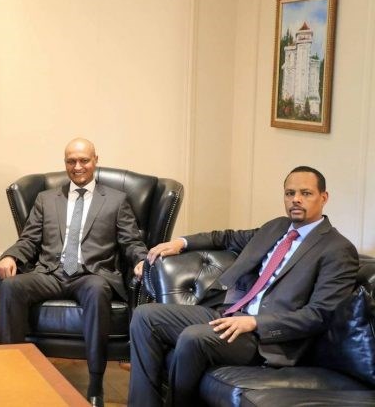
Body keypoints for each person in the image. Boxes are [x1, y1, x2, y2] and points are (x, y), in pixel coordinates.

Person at [128, 166, 359, 407]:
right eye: (290, 193)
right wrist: (181, 242)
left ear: (324, 197)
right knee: (145, 316)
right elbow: (226, 237)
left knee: (194, 337)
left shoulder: (337, 249)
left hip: (265, 337)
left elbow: (320, 315)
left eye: (306, 193)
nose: (296, 199)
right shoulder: (277, 227)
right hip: (229, 312)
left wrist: (254, 322)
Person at [0, 138, 147, 406]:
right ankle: (13, 373)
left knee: (97, 289)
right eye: (71, 161)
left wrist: (142, 261)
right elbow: (29, 240)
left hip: (91, 275)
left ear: (95, 160)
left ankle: (96, 384)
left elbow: (131, 242)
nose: (77, 167)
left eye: (84, 160)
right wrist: (10, 256)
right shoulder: (46, 199)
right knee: (10, 286)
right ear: (65, 163)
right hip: (50, 273)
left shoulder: (116, 200)